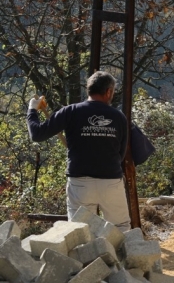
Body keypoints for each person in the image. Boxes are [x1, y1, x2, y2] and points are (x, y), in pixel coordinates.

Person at [26, 71, 131, 231]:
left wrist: (32, 110)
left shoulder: (70, 111)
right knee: (120, 229)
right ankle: (127, 256)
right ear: (108, 91)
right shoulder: (118, 117)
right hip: (111, 181)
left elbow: (37, 134)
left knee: (80, 232)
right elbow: (121, 154)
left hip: (80, 183)